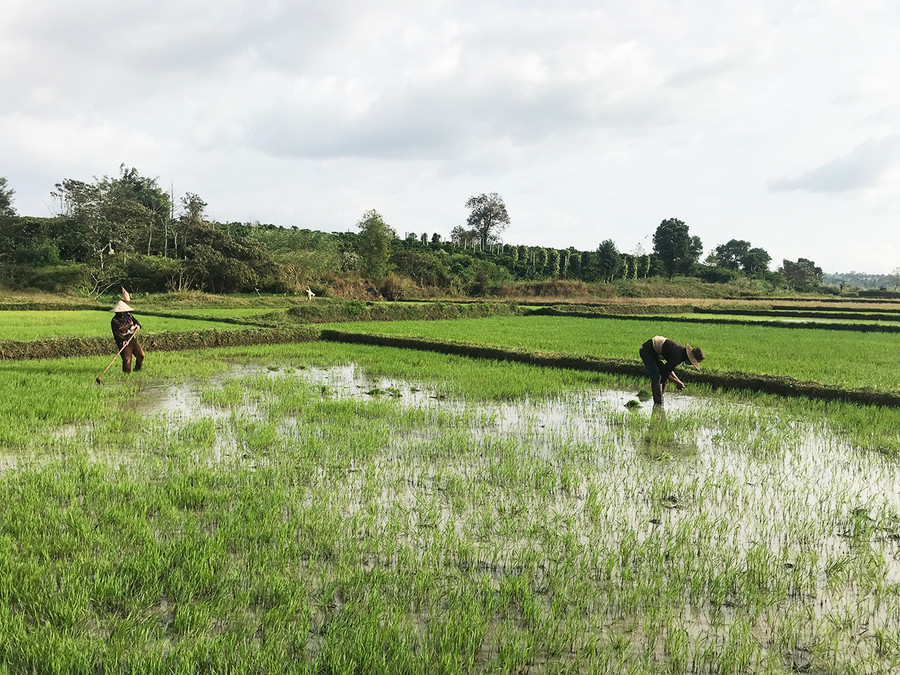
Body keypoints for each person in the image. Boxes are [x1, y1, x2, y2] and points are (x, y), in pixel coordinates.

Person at [639, 335, 704, 405]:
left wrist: (678, 381)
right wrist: (677, 382)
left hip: (655, 353)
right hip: (647, 351)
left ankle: (660, 400)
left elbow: (669, 369)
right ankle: (658, 404)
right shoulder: (678, 356)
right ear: (691, 358)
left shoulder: (681, 353)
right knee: (656, 377)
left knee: (663, 378)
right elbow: (664, 371)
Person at [109, 288, 144, 373]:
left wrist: (138, 326)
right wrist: (123, 340)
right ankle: (126, 375)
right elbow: (116, 333)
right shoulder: (115, 320)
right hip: (123, 341)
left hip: (132, 338)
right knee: (127, 360)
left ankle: (138, 368)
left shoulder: (129, 315)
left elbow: (137, 322)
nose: (123, 313)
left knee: (141, 355)